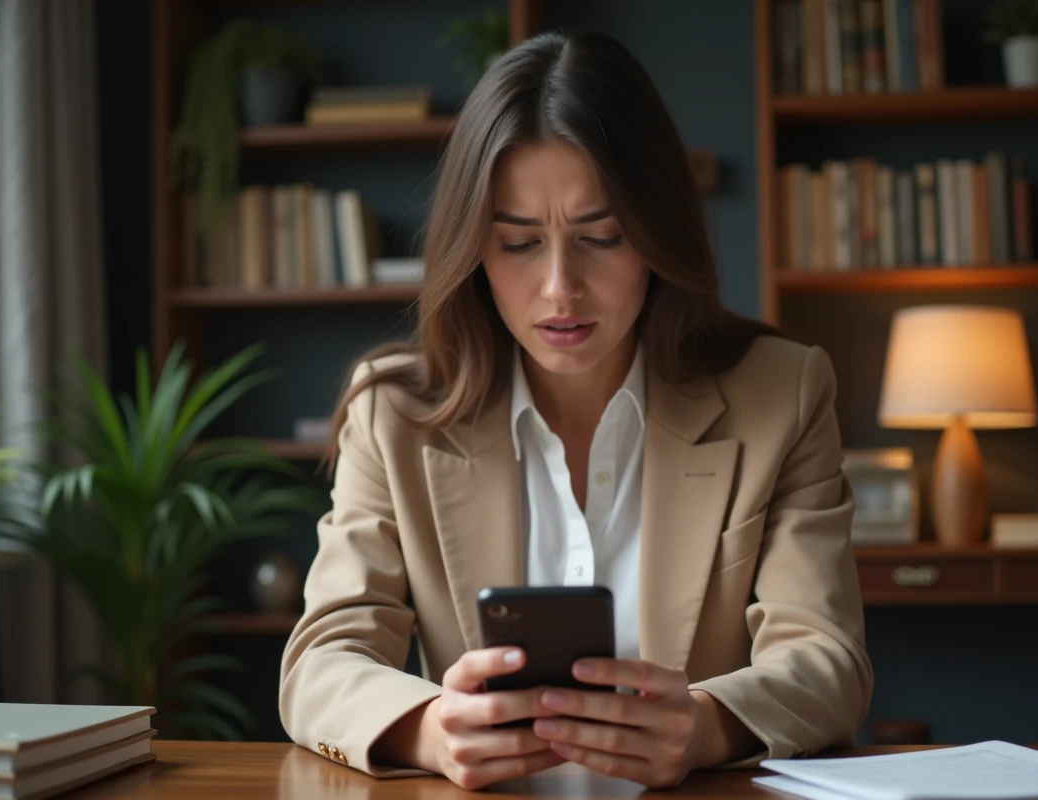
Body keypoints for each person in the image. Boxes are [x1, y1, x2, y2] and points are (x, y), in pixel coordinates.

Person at [279, 30, 872, 790]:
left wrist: (705, 726)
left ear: (657, 234)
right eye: (519, 243)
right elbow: (322, 661)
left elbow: (828, 660)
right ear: (472, 250)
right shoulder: (393, 415)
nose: (561, 287)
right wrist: (428, 731)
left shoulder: (781, 394)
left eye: (601, 236)